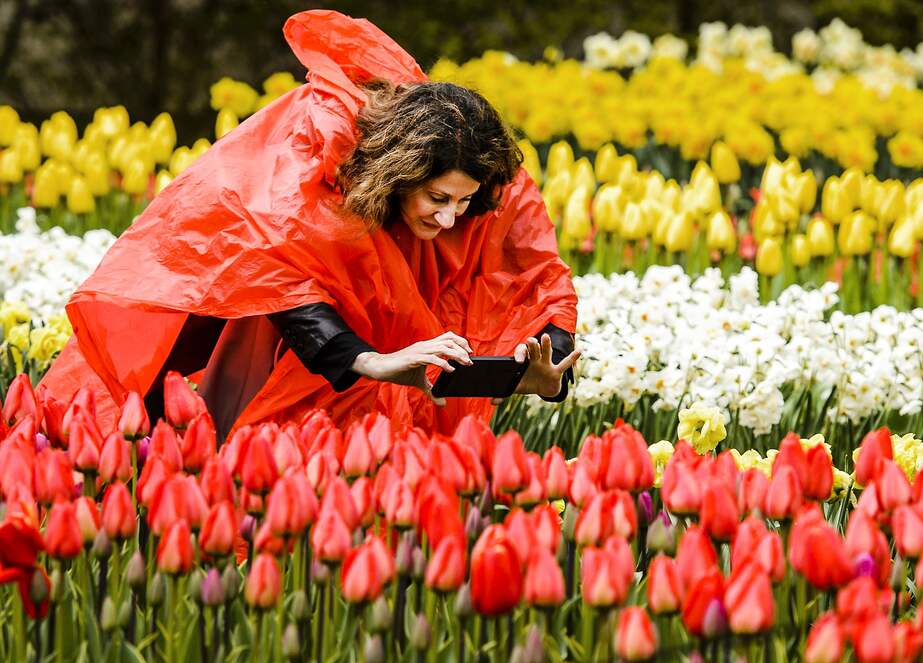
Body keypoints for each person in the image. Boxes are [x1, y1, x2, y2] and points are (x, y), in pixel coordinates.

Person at [40, 9, 578, 438]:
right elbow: (284, 280)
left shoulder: (483, 176)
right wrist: (372, 361)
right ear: (399, 172)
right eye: (437, 197)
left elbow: (537, 274)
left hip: (379, 342)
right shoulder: (319, 157)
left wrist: (547, 370)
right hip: (274, 331)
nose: (449, 216)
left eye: (463, 202)